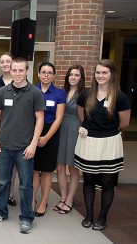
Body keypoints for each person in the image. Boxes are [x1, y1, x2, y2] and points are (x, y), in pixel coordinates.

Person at [0, 57, 45, 234]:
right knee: (3, 181)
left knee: (25, 185)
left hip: (25, 148)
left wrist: (34, 144)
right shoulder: (2, 91)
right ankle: (0, 211)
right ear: (10, 71)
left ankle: (27, 218)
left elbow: (40, 119)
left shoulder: (35, 93)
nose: (17, 74)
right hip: (4, 145)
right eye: (14, 70)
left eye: (21, 70)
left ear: (27, 71)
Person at [75, 59, 131, 231]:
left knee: (107, 182)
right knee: (89, 179)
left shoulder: (120, 97)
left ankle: (102, 217)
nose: (100, 76)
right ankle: (89, 215)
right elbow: (82, 116)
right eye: (98, 72)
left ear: (112, 74)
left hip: (109, 143)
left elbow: (125, 122)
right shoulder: (86, 94)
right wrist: (91, 130)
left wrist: (105, 131)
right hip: (89, 142)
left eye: (104, 72)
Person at [33, 62, 65, 217]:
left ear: (53, 75)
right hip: (33, 133)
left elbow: (59, 119)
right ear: (38, 74)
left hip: (50, 134)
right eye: (43, 72)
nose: (46, 75)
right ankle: (32, 199)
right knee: (33, 170)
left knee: (46, 171)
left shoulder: (59, 93)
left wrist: (46, 137)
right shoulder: (32, 90)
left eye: (49, 72)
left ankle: (43, 201)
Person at [54, 65, 86, 214]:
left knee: (73, 168)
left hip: (75, 131)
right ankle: (63, 197)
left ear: (81, 77)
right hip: (61, 130)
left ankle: (70, 200)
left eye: (76, 75)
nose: (73, 77)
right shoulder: (62, 92)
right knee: (60, 167)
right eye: (71, 75)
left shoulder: (84, 94)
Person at [0, 52, 15, 206]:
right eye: (3, 62)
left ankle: (10, 194)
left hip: (15, 128)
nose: (6, 64)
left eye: (8, 61)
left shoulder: (20, 81)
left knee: (12, 165)